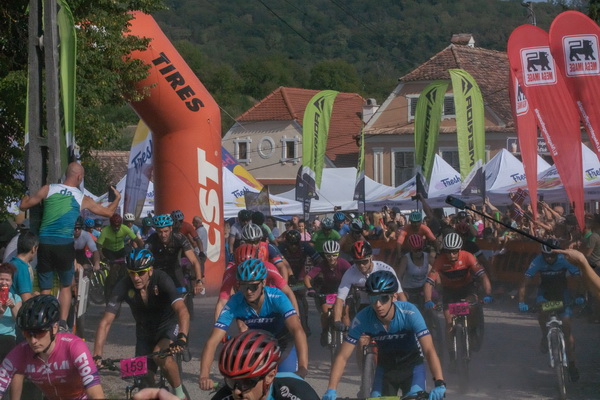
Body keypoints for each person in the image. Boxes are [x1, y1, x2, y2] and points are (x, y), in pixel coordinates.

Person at [19, 162, 121, 331]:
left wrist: (26, 194)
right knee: (66, 285)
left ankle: (44, 319)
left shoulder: (48, 189)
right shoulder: (81, 197)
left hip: (44, 243)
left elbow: (23, 205)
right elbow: (109, 213)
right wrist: (117, 198)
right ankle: (62, 323)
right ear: (79, 177)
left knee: (45, 287)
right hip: (64, 243)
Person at [323, 271, 446, 400]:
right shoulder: (363, 318)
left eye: (383, 298)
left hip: (412, 368)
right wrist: (331, 389)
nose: (378, 304)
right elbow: (342, 356)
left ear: (394, 296)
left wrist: (439, 382)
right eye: (373, 298)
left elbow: (429, 350)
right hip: (385, 370)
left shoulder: (409, 312)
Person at [94, 248, 190, 399]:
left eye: (141, 273)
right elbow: (105, 322)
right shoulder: (124, 285)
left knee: (160, 355)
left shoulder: (162, 279)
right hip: (144, 334)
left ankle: (180, 394)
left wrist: (182, 337)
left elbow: (182, 310)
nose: (136, 277)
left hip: (168, 327)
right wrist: (97, 355)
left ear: (150, 270)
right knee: (142, 382)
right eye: (132, 273)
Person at [199, 259, 308, 391]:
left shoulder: (277, 297)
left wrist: (303, 367)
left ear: (263, 283)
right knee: (245, 388)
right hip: (258, 346)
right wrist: (204, 376)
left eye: (253, 286)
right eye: (244, 286)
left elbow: (297, 331)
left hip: (282, 343)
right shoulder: (234, 303)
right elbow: (212, 342)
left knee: (287, 387)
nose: (249, 291)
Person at [0, 295, 105, 399]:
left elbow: (96, 395)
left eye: (39, 332)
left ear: (54, 328)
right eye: (28, 334)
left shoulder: (74, 346)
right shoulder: (21, 352)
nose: (33, 341)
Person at [517, 239, 584, 382]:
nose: (549, 258)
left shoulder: (564, 259)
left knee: (567, 327)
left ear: (556, 253)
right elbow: (524, 282)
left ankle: (572, 364)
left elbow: (578, 278)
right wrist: (521, 302)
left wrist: (580, 295)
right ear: (542, 254)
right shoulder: (537, 261)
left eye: (552, 255)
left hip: (562, 294)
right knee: (542, 311)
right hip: (545, 295)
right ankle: (544, 335)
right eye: (546, 256)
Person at [423, 233, 492, 358]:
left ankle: (472, 330)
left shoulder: (468, 257)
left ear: (460, 249)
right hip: (449, 291)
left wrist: (487, 293)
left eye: (454, 251)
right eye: (448, 251)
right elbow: (429, 282)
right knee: (449, 323)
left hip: (467, 288)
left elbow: (483, 276)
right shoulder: (440, 260)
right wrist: (428, 300)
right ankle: (452, 356)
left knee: (472, 305)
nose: (451, 255)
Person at [210, 330, 319, 400]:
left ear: (270, 376)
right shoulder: (224, 396)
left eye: (246, 383)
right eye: (231, 382)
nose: (237, 391)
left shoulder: (299, 394)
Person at [214, 244, 299, 321]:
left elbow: (288, 293)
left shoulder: (268, 268)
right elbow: (221, 303)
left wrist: (296, 317)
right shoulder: (230, 273)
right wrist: (218, 328)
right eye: (241, 268)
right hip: (246, 303)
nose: (246, 272)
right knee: (242, 324)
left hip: (268, 300)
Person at [304, 240, 351, 346]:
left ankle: (348, 336)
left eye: (334, 255)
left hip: (342, 291)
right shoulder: (322, 264)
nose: (331, 258)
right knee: (325, 311)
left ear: (338, 254)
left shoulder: (343, 263)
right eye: (328, 255)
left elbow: (353, 274)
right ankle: (325, 331)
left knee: (345, 313)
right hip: (327, 291)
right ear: (325, 255)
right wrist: (310, 289)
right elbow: (307, 277)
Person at [145, 214, 204, 295]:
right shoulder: (152, 239)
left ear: (171, 228)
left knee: (182, 294)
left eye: (166, 231)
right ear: (156, 230)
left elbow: (194, 261)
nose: (163, 235)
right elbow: (145, 261)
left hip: (174, 269)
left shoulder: (179, 238)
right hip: (157, 271)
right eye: (160, 232)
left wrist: (199, 281)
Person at [397, 234, 431, 308]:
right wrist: (401, 291)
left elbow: (436, 270)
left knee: (430, 308)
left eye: (420, 249)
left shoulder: (427, 256)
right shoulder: (406, 259)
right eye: (415, 250)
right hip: (409, 290)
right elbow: (399, 276)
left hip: (423, 289)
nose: (418, 252)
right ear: (411, 249)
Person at [0, 263, 22, 361]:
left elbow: (17, 319)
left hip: (8, 336)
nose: (4, 282)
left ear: (11, 282)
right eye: (1, 279)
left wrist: (12, 307)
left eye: (7, 280)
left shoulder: (16, 298)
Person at [8, 231, 37, 303]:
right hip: (16, 308)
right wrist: (35, 296)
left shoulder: (11, 263)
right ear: (33, 249)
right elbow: (26, 299)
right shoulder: (22, 268)